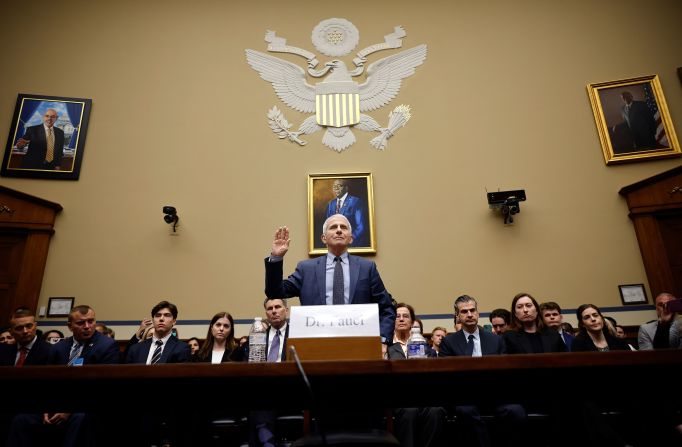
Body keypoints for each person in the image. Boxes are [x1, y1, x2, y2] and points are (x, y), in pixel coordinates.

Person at [265, 215, 395, 349]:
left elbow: (386, 309)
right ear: (323, 238)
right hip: (316, 346)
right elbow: (274, 292)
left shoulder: (367, 268)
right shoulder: (306, 269)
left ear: (351, 238)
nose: (339, 230)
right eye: (333, 227)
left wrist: (383, 341)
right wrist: (276, 258)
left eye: (343, 227)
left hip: (359, 345)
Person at [7, 305, 119, 447]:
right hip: (56, 404)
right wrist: (46, 408)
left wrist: (69, 409)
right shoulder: (59, 347)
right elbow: (48, 382)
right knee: (22, 419)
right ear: (69, 326)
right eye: (80, 323)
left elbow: (103, 386)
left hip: (87, 406)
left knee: (80, 418)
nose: (87, 326)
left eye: (91, 321)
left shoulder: (106, 346)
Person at [439, 295, 526, 447]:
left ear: (478, 313)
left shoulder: (495, 340)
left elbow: (504, 371)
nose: (470, 314)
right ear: (458, 316)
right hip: (464, 397)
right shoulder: (449, 342)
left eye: (473, 310)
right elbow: (446, 376)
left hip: (494, 394)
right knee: (466, 412)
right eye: (464, 311)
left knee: (515, 410)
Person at [387, 303, 446, 447]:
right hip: (399, 397)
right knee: (409, 411)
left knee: (436, 410)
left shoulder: (425, 346)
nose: (401, 319)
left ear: (412, 322)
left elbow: (434, 373)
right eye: (397, 316)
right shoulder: (386, 346)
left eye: (405, 316)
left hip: (423, 394)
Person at [249, 298, 292, 447]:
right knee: (260, 396)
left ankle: (266, 442)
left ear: (286, 310)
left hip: (291, 388)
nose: (274, 311)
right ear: (266, 313)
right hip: (265, 388)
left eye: (278, 307)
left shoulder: (297, 333)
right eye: (269, 308)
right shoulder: (258, 335)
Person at [125, 301, 190, 364]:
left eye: (167, 315)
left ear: (174, 321)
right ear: (153, 320)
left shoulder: (182, 348)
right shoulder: (136, 349)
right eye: (158, 315)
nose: (161, 319)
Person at [324, 179, 367, 246]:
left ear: (346, 188)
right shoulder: (331, 204)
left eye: (339, 186)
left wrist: (348, 240)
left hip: (351, 244)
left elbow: (361, 227)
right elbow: (327, 226)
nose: (336, 189)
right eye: (334, 187)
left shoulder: (355, 202)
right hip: (334, 245)